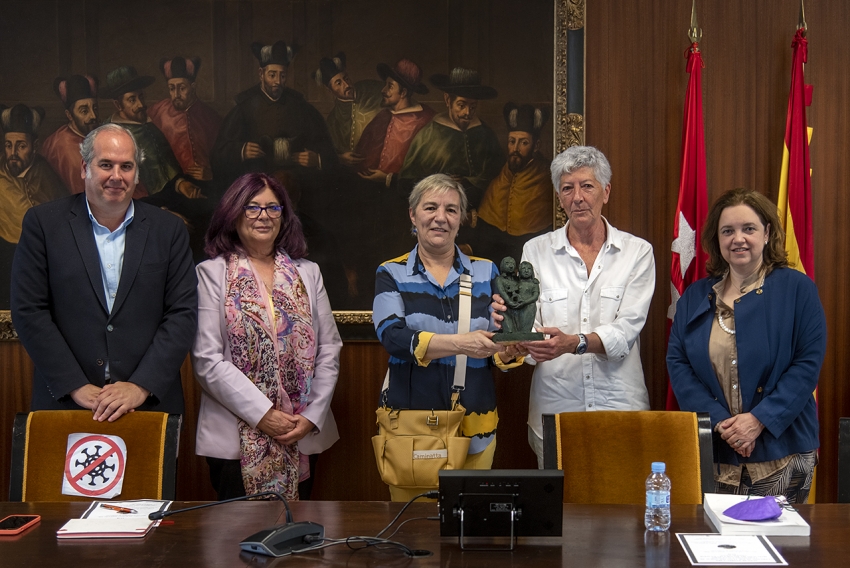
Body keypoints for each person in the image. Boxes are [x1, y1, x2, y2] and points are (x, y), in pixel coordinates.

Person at [10, 123, 198, 419]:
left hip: (147, 405)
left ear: (136, 173)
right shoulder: (43, 225)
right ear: (85, 167)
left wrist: (140, 385)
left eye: (126, 166)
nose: (116, 176)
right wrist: (75, 386)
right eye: (106, 165)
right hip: (67, 403)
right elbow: (29, 310)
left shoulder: (168, 230)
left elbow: (183, 313)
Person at [493, 146, 655, 467]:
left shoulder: (637, 252)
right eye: (567, 188)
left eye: (587, 186)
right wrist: (513, 340)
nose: (577, 197)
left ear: (606, 192)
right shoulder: (536, 251)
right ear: (559, 196)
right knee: (561, 512)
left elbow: (626, 332)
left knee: (621, 513)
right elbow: (530, 326)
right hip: (555, 411)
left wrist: (575, 343)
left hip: (620, 408)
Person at [667, 188, 825, 503]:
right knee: (717, 546)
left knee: (777, 548)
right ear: (717, 239)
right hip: (716, 451)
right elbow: (678, 362)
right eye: (728, 231)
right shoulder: (696, 296)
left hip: (783, 453)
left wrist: (758, 421)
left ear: (767, 233)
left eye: (748, 229)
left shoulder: (798, 290)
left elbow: (807, 365)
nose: (738, 238)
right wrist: (719, 421)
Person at [192, 172, 342, 501]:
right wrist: (263, 415)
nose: (264, 216)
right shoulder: (211, 274)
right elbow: (207, 359)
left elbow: (329, 348)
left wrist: (310, 416)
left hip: (301, 432)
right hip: (234, 439)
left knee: (296, 541)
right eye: (252, 207)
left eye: (273, 208)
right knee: (237, 544)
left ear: (284, 217)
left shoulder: (308, 272)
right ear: (232, 213)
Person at [373, 173, 515, 502]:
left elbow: (498, 344)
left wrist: (508, 351)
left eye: (451, 209)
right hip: (411, 430)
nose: (441, 217)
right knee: (413, 532)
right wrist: (463, 343)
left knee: (469, 533)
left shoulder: (486, 271)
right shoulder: (390, 273)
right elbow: (393, 337)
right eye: (431, 207)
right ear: (413, 214)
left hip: (476, 425)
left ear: (461, 219)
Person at [400, 67, 504, 210]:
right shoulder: (429, 134)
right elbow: (408, 181)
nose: (467, 113)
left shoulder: (486, 134)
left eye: (473, 107)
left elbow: (498, 176)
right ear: (448, 100)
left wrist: (468, 183)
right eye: (461, 105)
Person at [473, 102, 553, 263]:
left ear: (536, 145)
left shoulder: (547, 179)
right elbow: (488, 230)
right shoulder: (498, 176)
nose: (515, 148)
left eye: (524, 143)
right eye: (512, 141)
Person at [147, 56, 222, 182]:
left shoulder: (211, 117)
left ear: (193, 87)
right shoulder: (157, 112)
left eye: (182, 88)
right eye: (171, 88)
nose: (176, 95)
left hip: (204, 184)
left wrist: (212, 173)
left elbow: (224, 157)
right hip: (170, 184)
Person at [313, 52, 383, 167]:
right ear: (330, 91)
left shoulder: (372, 88)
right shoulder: (333, 119)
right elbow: (333, 150)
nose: (346, 85)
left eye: (346, 78)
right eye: (338, 83)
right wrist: (341, 158)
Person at [41, 74, 100, 195]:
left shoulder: (90, 133)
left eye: (95, 108)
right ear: (69, 115)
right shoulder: (65, 146)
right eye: (84, 111)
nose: (93, 116)